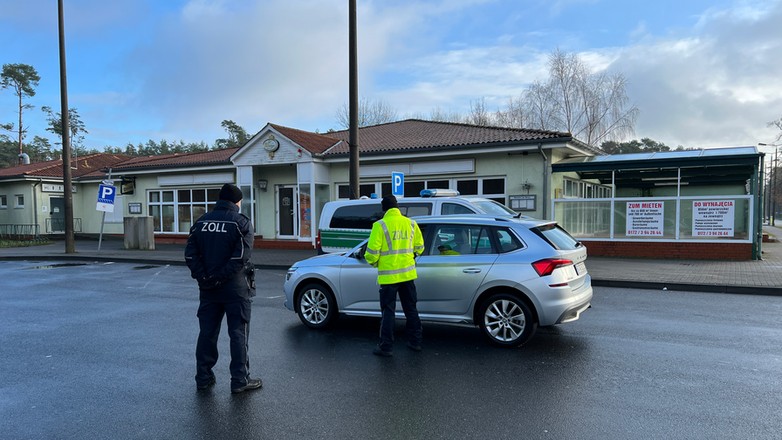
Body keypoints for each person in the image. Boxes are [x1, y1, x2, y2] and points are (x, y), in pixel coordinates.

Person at [184, 183, 262, 394]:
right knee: (238, 333)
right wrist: (219, 278)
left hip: (208, 289)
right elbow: (239, 258)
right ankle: (239, 380)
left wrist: (205, 278)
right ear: (237, 201)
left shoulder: (201, 222)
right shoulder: (241, 223)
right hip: (235, 290)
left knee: (207, 333)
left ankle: (203, 377)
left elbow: (191, 255)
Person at [364, 195, 425, 357]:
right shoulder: (411, 223)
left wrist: (376, 263)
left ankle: (386, 347)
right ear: (397, 207)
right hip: (408, 275)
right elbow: (420, 247)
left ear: (384, 208)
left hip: (389, 278)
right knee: (411, 309)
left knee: (388, 312)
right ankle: (415, 342)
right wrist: (411, 256)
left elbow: (371, 254)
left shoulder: (380, 225)